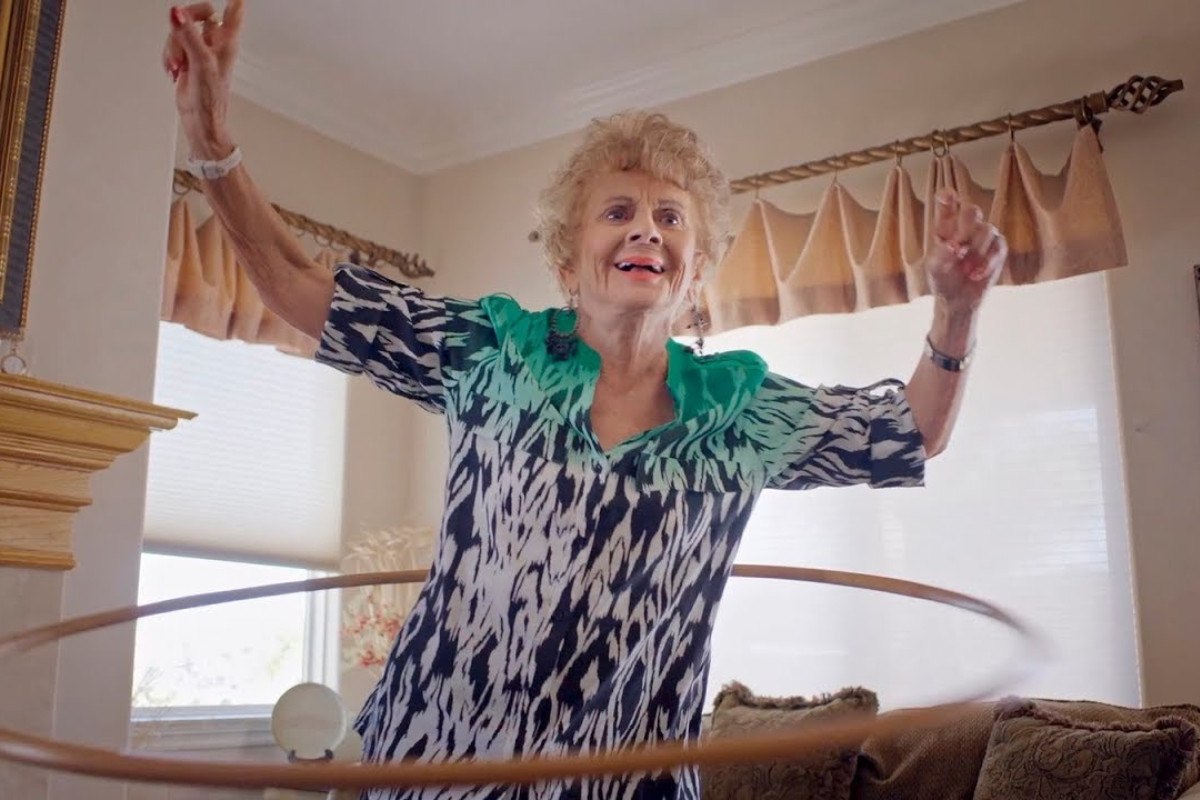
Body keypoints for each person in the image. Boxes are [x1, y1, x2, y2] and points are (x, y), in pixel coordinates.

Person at [163, 3, 1005, 799]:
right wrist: (211, 144)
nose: (646, 230)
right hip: (435, 770)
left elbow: (911, 432)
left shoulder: (740, 411)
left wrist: (958, 312)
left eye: (671, 218)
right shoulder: (491, 353)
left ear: (695, 275)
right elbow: (297, 285)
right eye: (619, 212)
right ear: (569, 263)